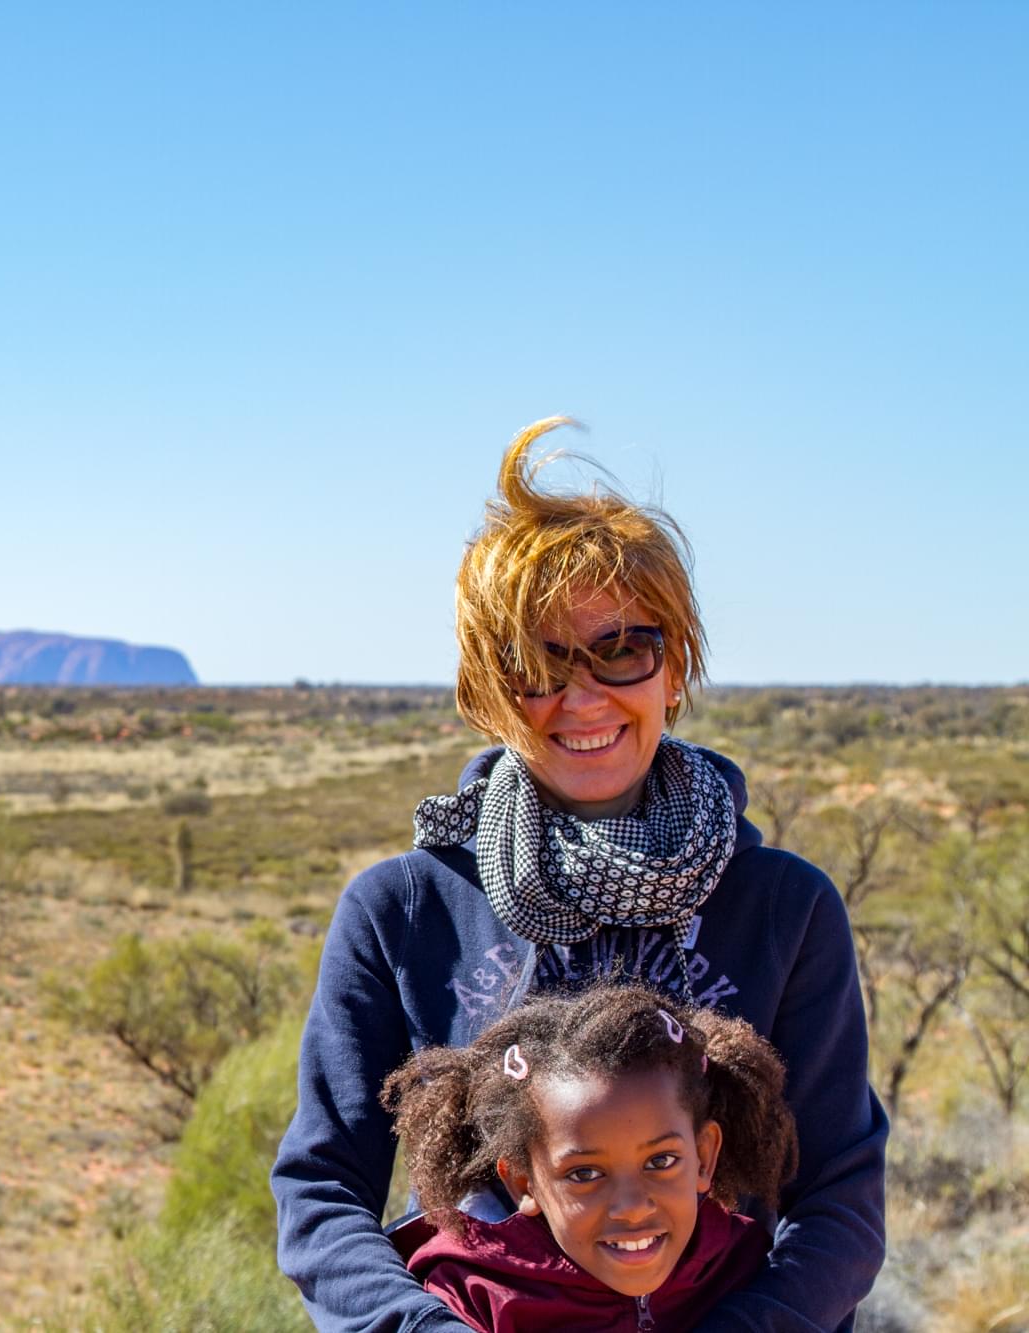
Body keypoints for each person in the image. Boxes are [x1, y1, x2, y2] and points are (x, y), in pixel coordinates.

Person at [270, 418, 887, 1331]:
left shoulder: (783, 906)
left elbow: (839, 1199)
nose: (584, 696)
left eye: (621, 649)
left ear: (672, 668)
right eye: (539, 664)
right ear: (489, 692)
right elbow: (322, 1193)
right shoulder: (404, 909)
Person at [381, 983, 799, 1333]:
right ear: (524, 1183)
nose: (632, 1207)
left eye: (660, 1162)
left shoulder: (743, 1269)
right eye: (585, 1173)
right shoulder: (471, 1296)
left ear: (704, 1158)